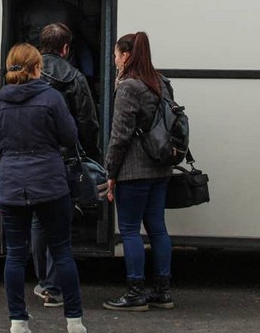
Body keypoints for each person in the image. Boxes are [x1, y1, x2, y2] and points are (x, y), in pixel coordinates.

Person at [0, 43, 87, 333]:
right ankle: (74, 320)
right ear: (37, 68)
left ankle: (18, 321)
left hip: (11, 186)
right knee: (62, 252)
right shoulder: (52, 98)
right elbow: (69, 137)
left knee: (15, 255)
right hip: (50, 183)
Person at [102, 32, 175, 312]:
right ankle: (162, 291)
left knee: (130, 230)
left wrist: (111, 172)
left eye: (116, 55)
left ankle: (135, 292)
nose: (114, 60)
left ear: (127, 55)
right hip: (160, 167)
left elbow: (120, 135)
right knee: (157, 228)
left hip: (134, 170)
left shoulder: (129, 87)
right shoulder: (161, 82)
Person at [31, 23, 101, 310]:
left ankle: (43, 280)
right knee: (60, 222)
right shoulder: (74, 77)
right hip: (64, 159)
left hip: (34, 157)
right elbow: (87, 122)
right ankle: (53, 287)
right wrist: (91, 153)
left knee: (38, 220)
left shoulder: (27, 74)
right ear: (65, 48)